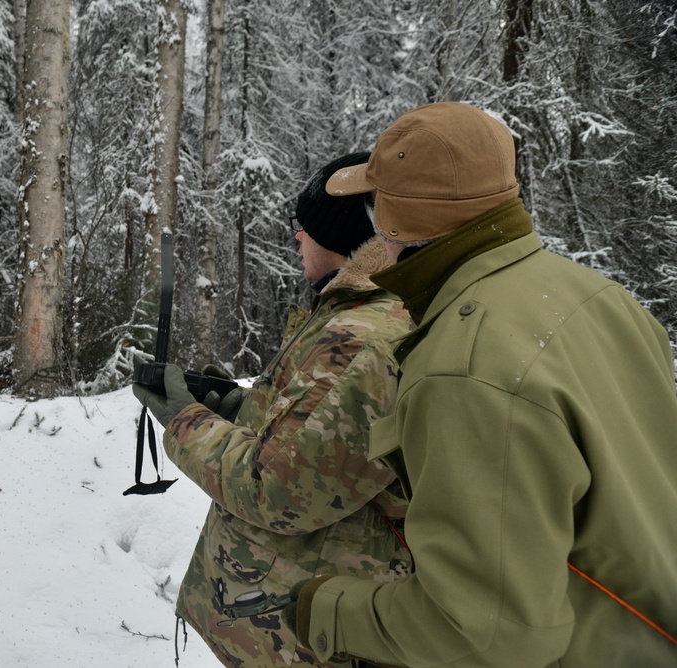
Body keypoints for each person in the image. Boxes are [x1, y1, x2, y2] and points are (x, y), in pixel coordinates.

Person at [285, 101, 677, 667]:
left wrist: (327, 609)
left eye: (376, 207)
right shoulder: (604, 299)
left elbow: (486, 634)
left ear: (393, 224)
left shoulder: (462, 370)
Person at [133, 152, 413, 667]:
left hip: (314, 639)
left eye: (302, 225)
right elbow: (325, 440)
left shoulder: (364, 338)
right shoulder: (349, 310)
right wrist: (242, 409)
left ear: (339, 232)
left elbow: (279, 488)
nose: (296, 237)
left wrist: (184, 419)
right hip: (295, 623)